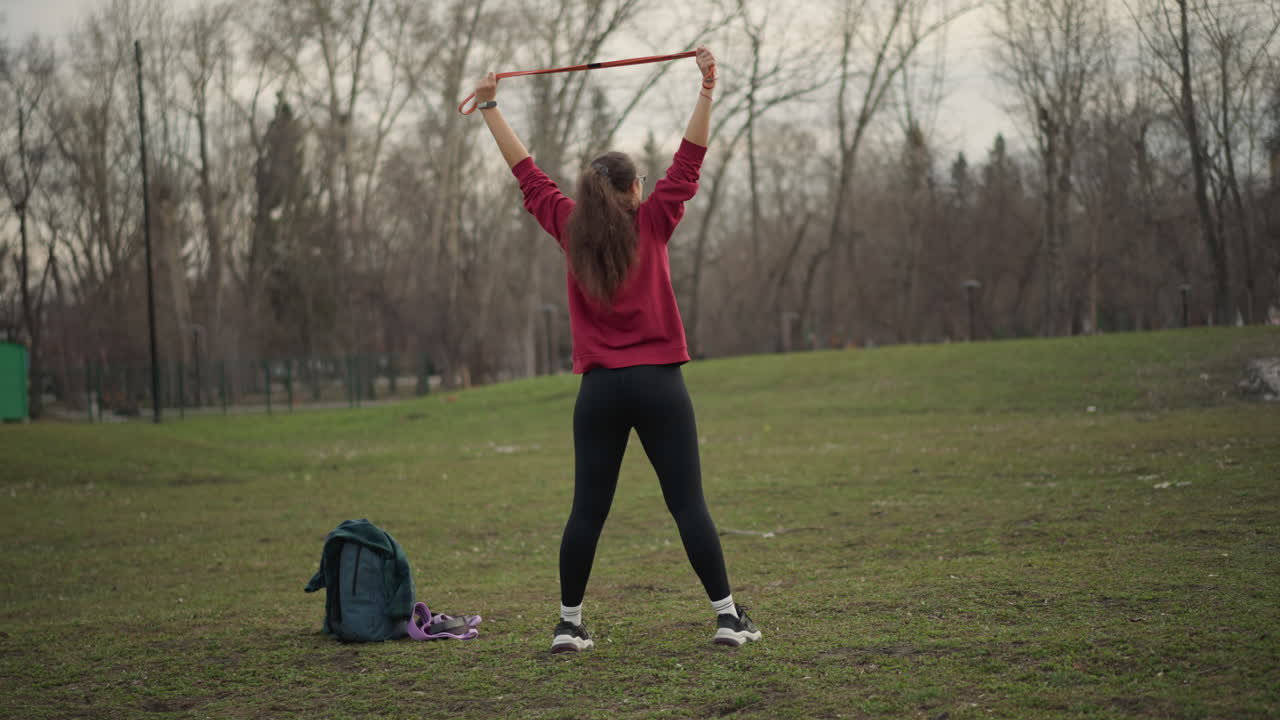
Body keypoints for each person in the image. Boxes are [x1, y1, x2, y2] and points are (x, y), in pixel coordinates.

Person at [472, 45, 761, 652]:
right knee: (687, 505)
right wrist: (707, 87)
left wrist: (492, 105)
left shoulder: (567, 225)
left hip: (599, 392)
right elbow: (690, 160)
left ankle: (568, 625)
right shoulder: (655, 220)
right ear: (634, 190)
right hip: (659, 386)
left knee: (588, 512)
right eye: (641, 184)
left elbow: (527, 174)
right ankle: (728, 617)